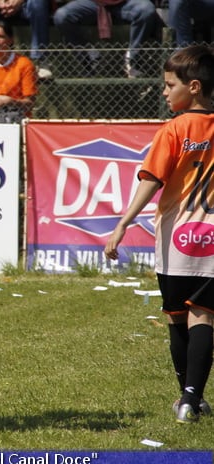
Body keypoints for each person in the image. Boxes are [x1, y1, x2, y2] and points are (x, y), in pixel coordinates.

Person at [104, 45, 214, 423]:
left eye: (170, 85)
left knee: (176, 318)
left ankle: (187, 396)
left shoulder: (174, 129)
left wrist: (122, 223)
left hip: (177, 240)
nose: (165, 92)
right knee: (204, 315)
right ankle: (191, 399)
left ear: (194, 87)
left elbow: (151, 180)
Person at [53, 0, 159, 78]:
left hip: (125, 3)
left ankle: (133, 58)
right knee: (62, 16)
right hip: (92, 3)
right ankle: (89, 56)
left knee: (146, 9)